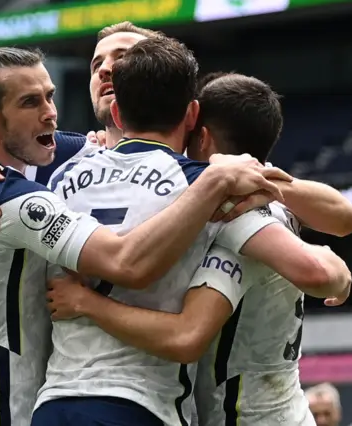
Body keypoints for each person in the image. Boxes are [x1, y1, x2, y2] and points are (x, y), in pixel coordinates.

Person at [0, 30, 288, 426]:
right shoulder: (7, 196)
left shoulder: (26, 166)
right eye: (30, 102)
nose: (50, 113)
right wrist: (215, 182)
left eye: (50, 95)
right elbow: (125, 262)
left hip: (2, 405)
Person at [45, 73, 352, 426]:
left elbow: (186, 335)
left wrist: (86, 304)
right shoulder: (245, 196)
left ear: (201, 135)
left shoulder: (234, 212)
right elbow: (346, 220)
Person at [28, 36, 292, 426]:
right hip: (140, 403)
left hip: (54, 402)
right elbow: (322, 264)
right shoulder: (206, 184)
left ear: (116, 113)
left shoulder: (59, 174)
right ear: (192, 115)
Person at [0, 21, 352, 237]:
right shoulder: (64, 151)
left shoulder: (204, 163)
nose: (106, 70)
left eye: (122, 60)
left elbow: (343, 217)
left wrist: (273, 188)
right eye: (97, 63)